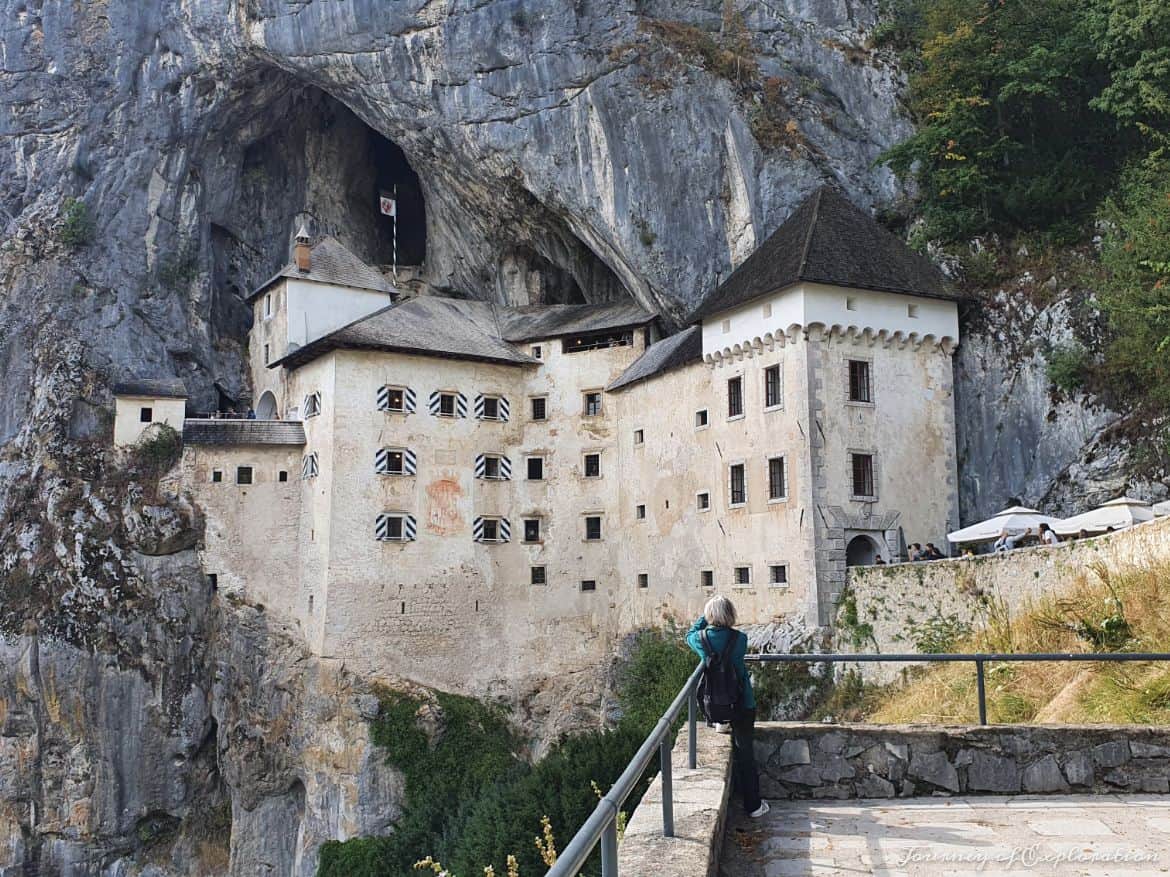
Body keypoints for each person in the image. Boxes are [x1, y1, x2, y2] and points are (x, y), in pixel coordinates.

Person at [686, 596, 768, 819]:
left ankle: (720, 723)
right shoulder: (740, 639)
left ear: (710, 615)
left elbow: (688, 635)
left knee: (720, 712)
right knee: (746, 753)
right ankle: (753, 806)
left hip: (715, 704)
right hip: (742, 701)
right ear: (730, 614)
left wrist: (704, 619)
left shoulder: (700, 640)